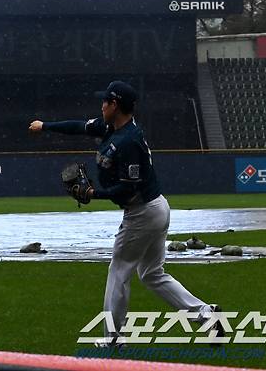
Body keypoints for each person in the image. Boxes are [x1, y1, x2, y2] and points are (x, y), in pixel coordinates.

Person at [29, 80, 223, 347]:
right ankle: (206, 314)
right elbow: (78, 127)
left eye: (105, 101)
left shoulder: (129, 140)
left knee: (119, 270)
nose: (101, 105)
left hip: (142, 212)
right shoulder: (110, 127)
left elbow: (127, 187)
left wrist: (92, 194)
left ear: (115, 105)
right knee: (152, 274)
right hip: (154, 208)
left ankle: (113, 338)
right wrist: (46, 126)